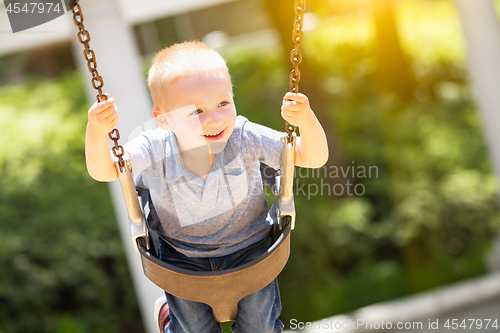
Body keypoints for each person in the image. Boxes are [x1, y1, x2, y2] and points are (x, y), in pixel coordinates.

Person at [85, 41, 328, 333]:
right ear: (163, 119)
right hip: (181, 257)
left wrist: (305, 120)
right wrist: (97, 132)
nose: (214, 118)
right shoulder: (154, 148)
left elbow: (311, 157)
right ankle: (168, 316)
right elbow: (106, 170)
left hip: (250, 248)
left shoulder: (244, 136)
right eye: (196, 111)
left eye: (223, 103)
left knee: (260, 327)